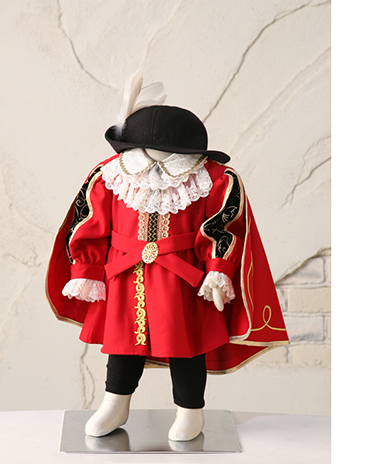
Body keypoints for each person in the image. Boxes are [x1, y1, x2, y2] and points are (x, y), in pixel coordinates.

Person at [46, 72, 289, 441]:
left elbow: (223, 225)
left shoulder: (213, 179)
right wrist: (87, 269)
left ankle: (191, 411)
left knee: (186, 343)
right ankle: (115, 403)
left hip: (183, 277)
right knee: (123, 342)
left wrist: (218, 268)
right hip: (124, 274)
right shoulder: (111, 175)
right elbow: (89, 223)